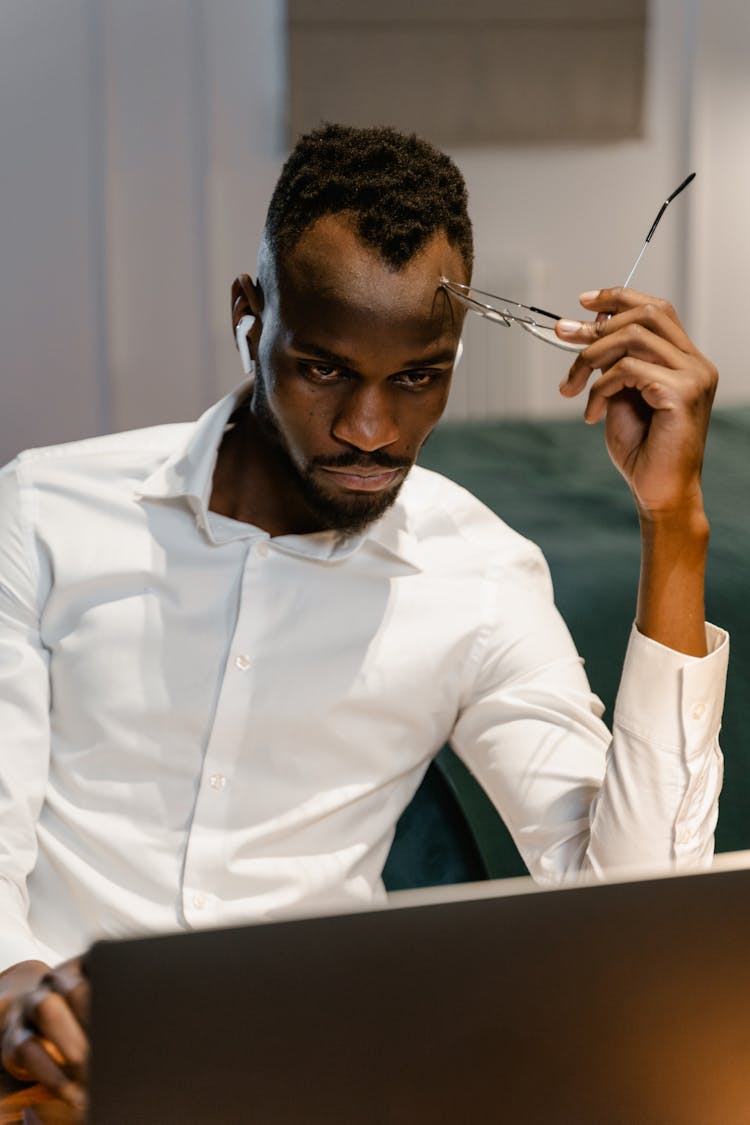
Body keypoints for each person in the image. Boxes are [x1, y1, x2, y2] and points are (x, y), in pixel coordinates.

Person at [0, 123, 727, 1114]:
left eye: (418, 377)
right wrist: (15, 992)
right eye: (325, 369)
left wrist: (673, 524)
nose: (370, 432)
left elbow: (638, 918)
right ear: (249, 320)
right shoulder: (43, 511)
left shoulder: (480, 574)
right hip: (45, 1084)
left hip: (315, 1084)